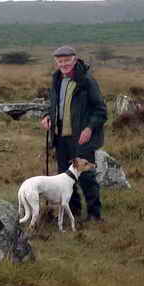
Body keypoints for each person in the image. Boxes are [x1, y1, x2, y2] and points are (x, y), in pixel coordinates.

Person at [40, 45, 108, 222]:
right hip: (61, 138)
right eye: (60, 61)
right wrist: (47, 116)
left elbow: (101, 110)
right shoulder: (56, 80)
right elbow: (53, 105)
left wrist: (89, 128)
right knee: (66, 177)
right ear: (56, 62)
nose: (63, 64)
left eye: (67, 60)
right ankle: (73, 211)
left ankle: (94, 215)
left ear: (75, 59)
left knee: (86, 177)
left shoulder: (86, 81)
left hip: (81, 138)